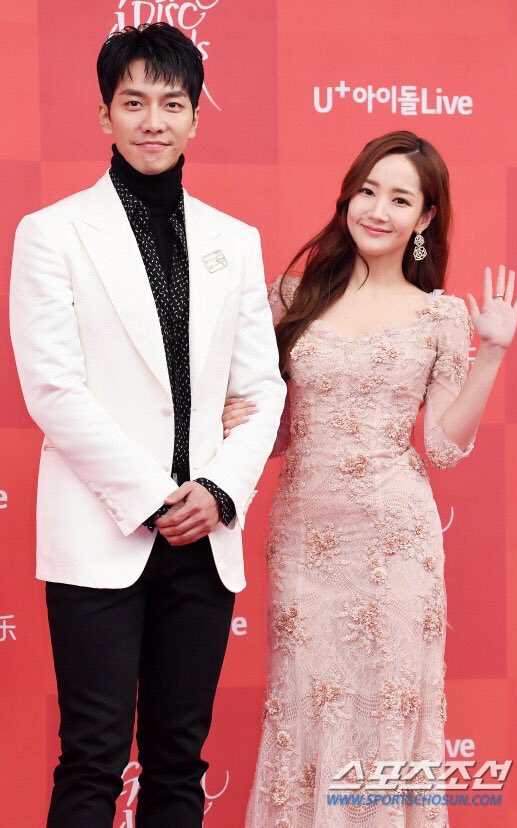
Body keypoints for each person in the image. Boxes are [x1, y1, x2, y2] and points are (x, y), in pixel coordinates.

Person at [9, 22, 286, 828]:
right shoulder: (52, 233)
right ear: (105, 115)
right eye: (134, 103)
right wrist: (157, 496)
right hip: (101, 528)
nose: (153, 121)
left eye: (172, 103)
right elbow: (53, 390)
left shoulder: (235, 241)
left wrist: (219, 491)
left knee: (178, 764)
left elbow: (261, 389)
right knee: (91, 758)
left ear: (196, 116)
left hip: (204, 539)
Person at [222, 131, 517, 827]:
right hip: (307, 541)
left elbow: (442, 449)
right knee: (305, 705)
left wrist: (491, 354)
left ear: (425, 218)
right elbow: (275, 432)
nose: (378, 210)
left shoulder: (440, 315)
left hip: (396, 547)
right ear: (348, 198)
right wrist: (240, 417)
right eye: (367, 191)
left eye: (399, 199)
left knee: (386, 711)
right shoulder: (292, 297)